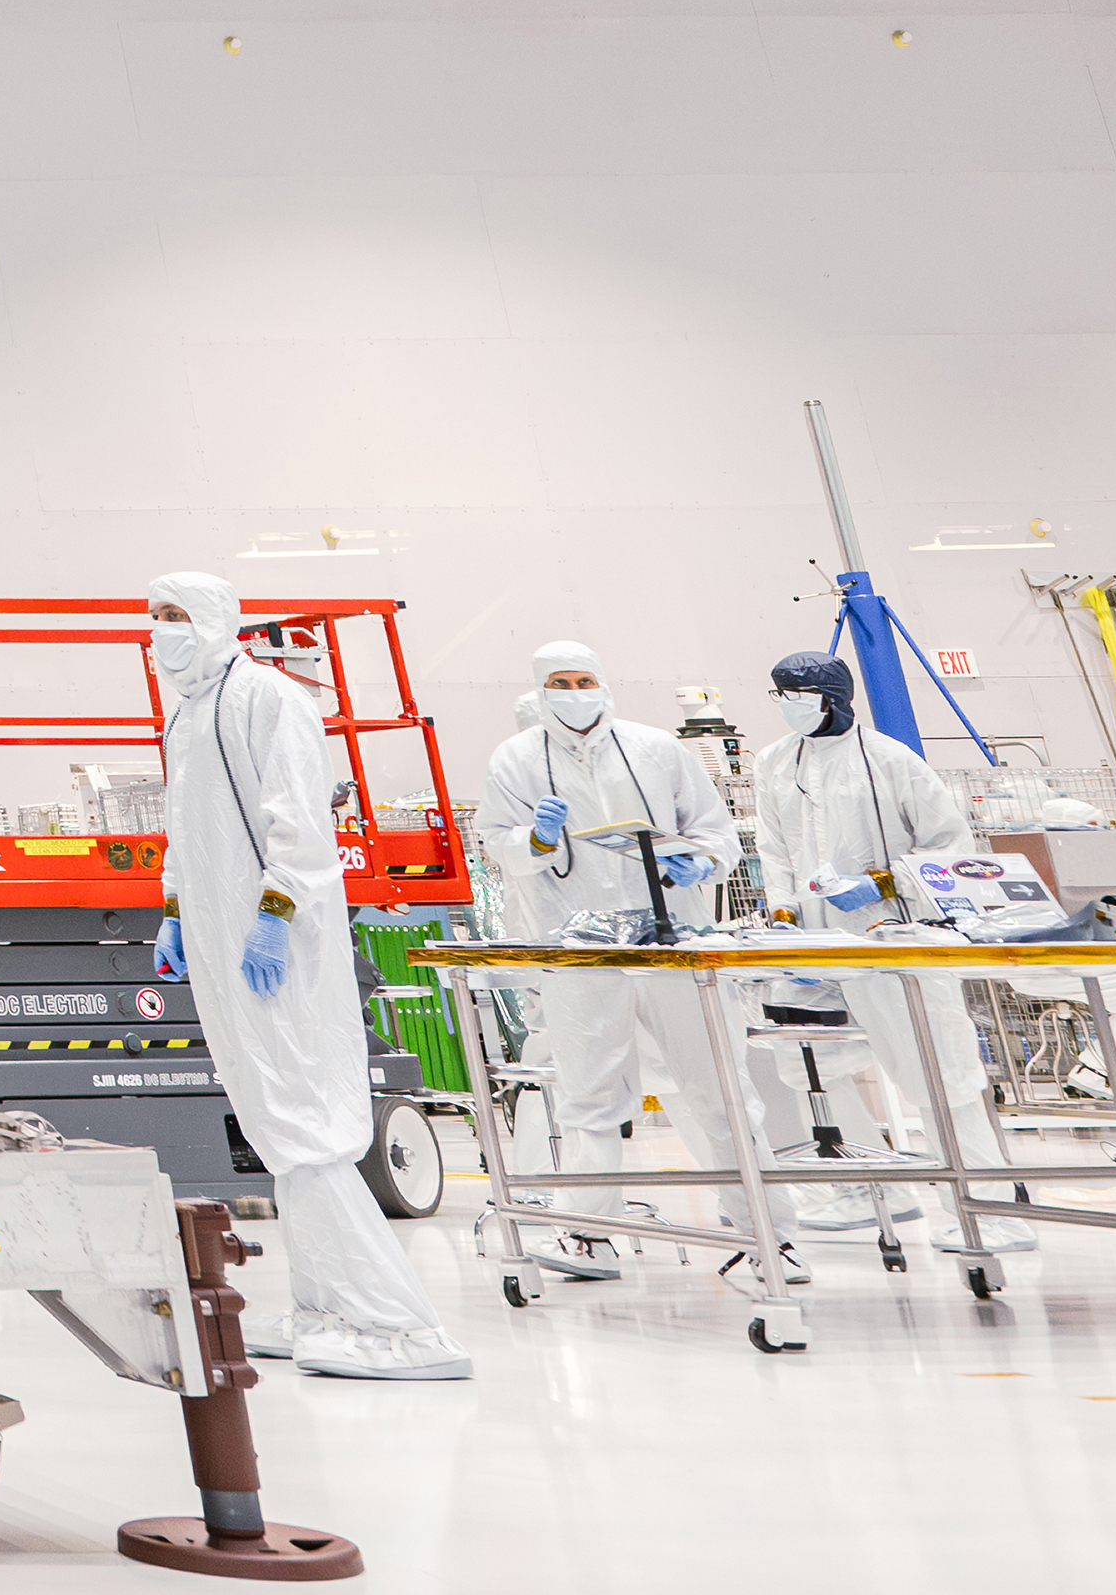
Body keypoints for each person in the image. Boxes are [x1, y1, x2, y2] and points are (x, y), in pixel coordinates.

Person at [147, 573, 466, 1379]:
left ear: (218, 620)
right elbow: (188, 825)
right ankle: (325, 1307)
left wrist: (275, 910)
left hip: (276, 936)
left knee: (303, 1119)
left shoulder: (266, 697)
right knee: (272, 1115)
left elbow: (298, 815)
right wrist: (178, 905)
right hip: (223, 936)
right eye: (155, 618)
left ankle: (396, 1325)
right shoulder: (187, 712)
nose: (164, 630)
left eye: (177, 615)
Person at [468, 640, 735, 1276]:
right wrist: (534, 839)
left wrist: (697, 859)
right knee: (590, 1094)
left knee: (714, 1084)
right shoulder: (514, 758)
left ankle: (763, 1230)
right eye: (559, 682)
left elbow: (715, 831)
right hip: (578, 946)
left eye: (583, 679)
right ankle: (590, 1233)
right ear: (540, 690)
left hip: (669, 938)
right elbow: (495, 841)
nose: (574, 691)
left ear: (604, 681)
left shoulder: (656, 749)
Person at [740, 650, 1016, 1239]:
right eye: (779, 694)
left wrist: (882, 882)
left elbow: (950, 848)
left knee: (933, 1063)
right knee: (808, 1060)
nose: (787, 706)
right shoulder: (773, 762)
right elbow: (774, 848)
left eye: (797, 694)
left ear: (835, 696)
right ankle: (863, 1186)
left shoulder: (892, 761)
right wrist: (784, 915)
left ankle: (987, 1207)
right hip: (811, 938)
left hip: (888, 929)